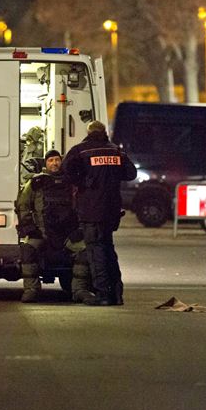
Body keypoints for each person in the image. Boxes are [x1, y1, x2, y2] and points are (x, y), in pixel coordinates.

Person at [62, 121, 136, 306]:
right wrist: (111, 177)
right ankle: (117, 293)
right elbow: (131, 173)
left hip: (91, 209)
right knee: (109, 250)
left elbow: (66, 171)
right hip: (111, 209)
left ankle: (103, 294)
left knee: (96, 252)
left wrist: (84, 181)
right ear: (104, 132)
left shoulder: (81, 150)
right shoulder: (115, 151)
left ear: (88, 132)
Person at [15, 149, 92, 303]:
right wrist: (29, 227)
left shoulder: (71, 183)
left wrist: (80, 229)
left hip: (68, 235)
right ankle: (31, 290)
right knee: (27, 249)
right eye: (51, 160)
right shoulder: (36, 183)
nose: (54, 163)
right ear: (46, 163)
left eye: (57, 160)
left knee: (84, 250)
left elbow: (84, 205)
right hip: (42, 234)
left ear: (61, 162)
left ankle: (79, 290)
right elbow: (22, 205)